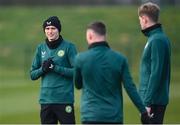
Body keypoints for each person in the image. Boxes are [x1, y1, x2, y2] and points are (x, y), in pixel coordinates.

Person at [74, 21, 150, 124]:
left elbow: (78, 85)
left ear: (90, 35)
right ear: (105, 35)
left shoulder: (80, 59)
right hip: (113, 117)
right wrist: (143, 111)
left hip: (90, 116)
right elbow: (130, 87)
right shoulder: (120, 59)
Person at [30, 16, 77, 124]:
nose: (50, 31)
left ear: (58, 30)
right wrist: (43, 69)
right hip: (46, 101)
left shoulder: (69, 47)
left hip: (64, 100)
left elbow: (76, 71)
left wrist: (55, 68)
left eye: (53, 28)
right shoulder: (40, 48)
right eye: (47, 28)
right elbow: (32, 75)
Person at [138, 2, 171, 124]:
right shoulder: (154, 38)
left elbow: (156, 74)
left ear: (145, 19)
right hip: (151, 101)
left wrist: (147, 102)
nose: (140, 23)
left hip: (153, 102)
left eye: (140, 20)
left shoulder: (157, 40)